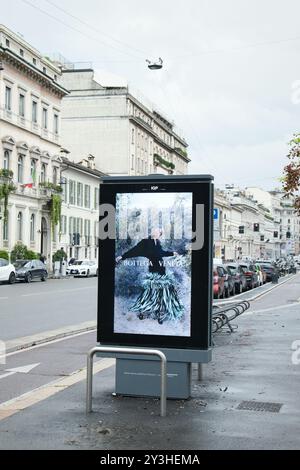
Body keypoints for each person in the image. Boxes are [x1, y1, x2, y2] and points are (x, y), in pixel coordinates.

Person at [116, 228, 183, 324]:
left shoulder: (157, 242)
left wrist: (172, 253)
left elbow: (160, 253)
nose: (154, 231)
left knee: (162, 292)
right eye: (153, 230)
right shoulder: (145, 242)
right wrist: (122, 256)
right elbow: (134, 250)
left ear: (159, 234)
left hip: (161, 271)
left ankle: (160, 312)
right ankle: (145, 311)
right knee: (151, 291)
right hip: (153, 271)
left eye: (157, 231)